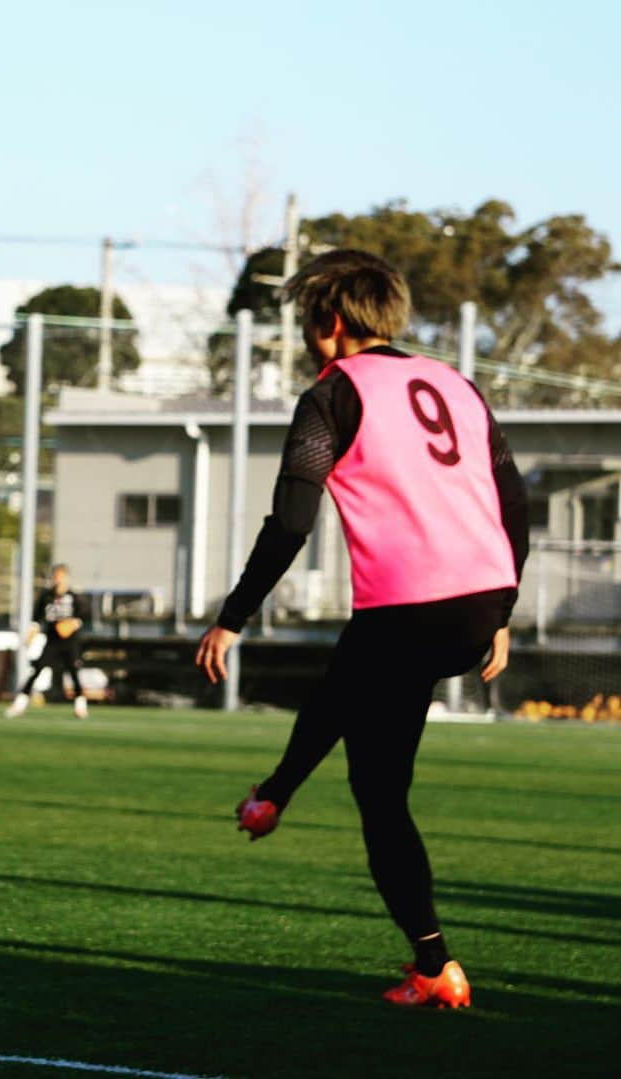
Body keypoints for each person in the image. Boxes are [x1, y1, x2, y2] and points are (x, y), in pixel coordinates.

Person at [195, 249, 528, 1009]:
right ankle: (274, 792)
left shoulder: (332, 396)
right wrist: (503, 612)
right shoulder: (459, 384)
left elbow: (289, 523)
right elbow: (514, 505)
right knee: (356, 684)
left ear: (330, 321)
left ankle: (434, 965)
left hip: (409, 605)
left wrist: (233, 617)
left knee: (378, 792)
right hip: (479, 600)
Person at [6, 564, 89, 718]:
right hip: (52, 640)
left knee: (73, 671)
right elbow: (37, 620)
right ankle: (19, 704)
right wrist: (31, 634)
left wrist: (72, 624)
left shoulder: (74, 597)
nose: (57, 580)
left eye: (60, 577)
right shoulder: (46, 597)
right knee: (37, 669)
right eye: (55, 576)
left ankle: (80, 706)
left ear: (66, 578)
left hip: (69, 641)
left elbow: (84, 615)